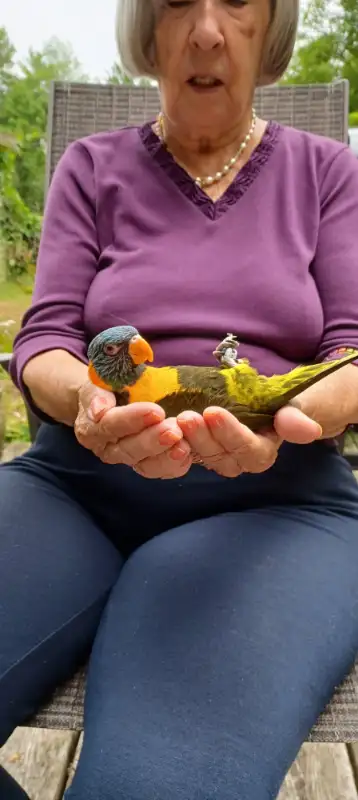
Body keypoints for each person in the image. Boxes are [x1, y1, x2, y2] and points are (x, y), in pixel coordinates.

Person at [2, 0, 358, 797]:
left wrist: (298, 415)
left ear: (270, 27)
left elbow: (353, 350)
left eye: (236, 1)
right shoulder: (89, 168)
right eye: (175, 2)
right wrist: (89, 404)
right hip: (75, 485)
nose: (206, 30)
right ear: (148, 29)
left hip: (277, 505)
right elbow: (46, 337)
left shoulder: (328, 172)